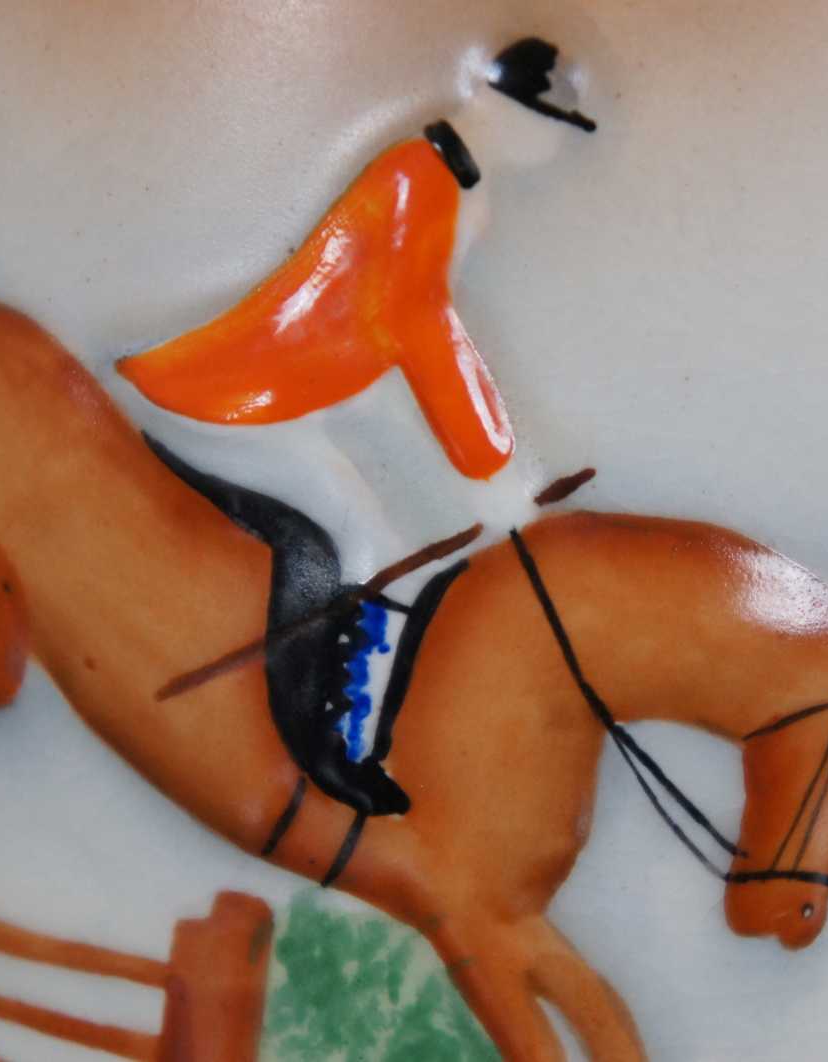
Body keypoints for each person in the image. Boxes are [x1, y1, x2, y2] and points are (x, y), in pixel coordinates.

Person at [116, 38, 597, 816]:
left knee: (396, 534)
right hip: (246, 399)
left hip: (309, 398)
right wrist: (490, 463)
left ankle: (360, 729)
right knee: (360, 540)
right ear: (501, 105)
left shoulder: (458, 189)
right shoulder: (418, 179)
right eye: (550, 123)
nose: (553, 144)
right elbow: (417, 323)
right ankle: (325, 742)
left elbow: (383, 327)